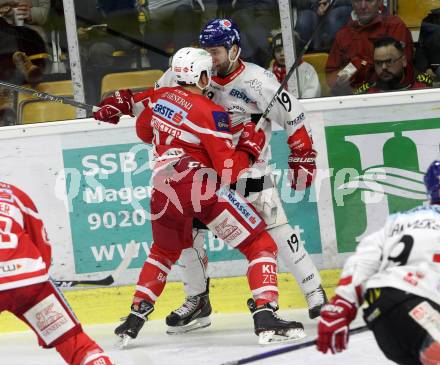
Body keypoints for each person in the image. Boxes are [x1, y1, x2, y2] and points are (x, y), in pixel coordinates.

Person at [94, 18, 328, 336]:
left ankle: (315, 294)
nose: (211, 56)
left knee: (275, 226)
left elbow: (294, 116)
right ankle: (198, 301)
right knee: (190, 237)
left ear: (234, 49)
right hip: (207, 175)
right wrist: (127, 101)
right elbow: (159, 98)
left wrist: (302, 155)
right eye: (206, 50)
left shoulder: (259, 81)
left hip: (248, 169)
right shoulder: (195, 70)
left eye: (216, 51)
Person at [316, 159, 440, 365]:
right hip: (417, 303)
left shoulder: (399, 220)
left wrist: (343, 304)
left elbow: (363, 260)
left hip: (381, 313)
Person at [0, 181, 113, 365]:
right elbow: (41, 244)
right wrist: (41, 281)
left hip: (29, 279)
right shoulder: (13, 193)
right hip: (30, 280)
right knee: (77, 345)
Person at [325, 0, 413, 95]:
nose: (363, 6)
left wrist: (361, 66)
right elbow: (330, 77)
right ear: (351, 3)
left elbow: (404, 69)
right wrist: (341, 80)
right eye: (357, 1)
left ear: (380, 2)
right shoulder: (343, 35)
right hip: (354, 99)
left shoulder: (395, 26)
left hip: (391, 93)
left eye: (369, 0)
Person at [354, 36, 432, 94]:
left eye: (389, 62)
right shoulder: (365, 92)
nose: (383, 67)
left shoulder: (424, 86)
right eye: (378, 63)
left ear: (403, 61)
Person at [269, 31, 321, 98]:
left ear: (295, 50)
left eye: (286, 50)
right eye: (278, 50)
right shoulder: (269, 73)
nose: (282, 54)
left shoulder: (307, 70)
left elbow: (312, 92)